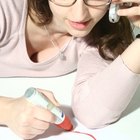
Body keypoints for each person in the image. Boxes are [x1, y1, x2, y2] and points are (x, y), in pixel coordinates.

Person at [0, 0, 140, 139]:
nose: (80, 14)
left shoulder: (99, 36)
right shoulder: (6, 10)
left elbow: (91, 113)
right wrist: (8, 110)